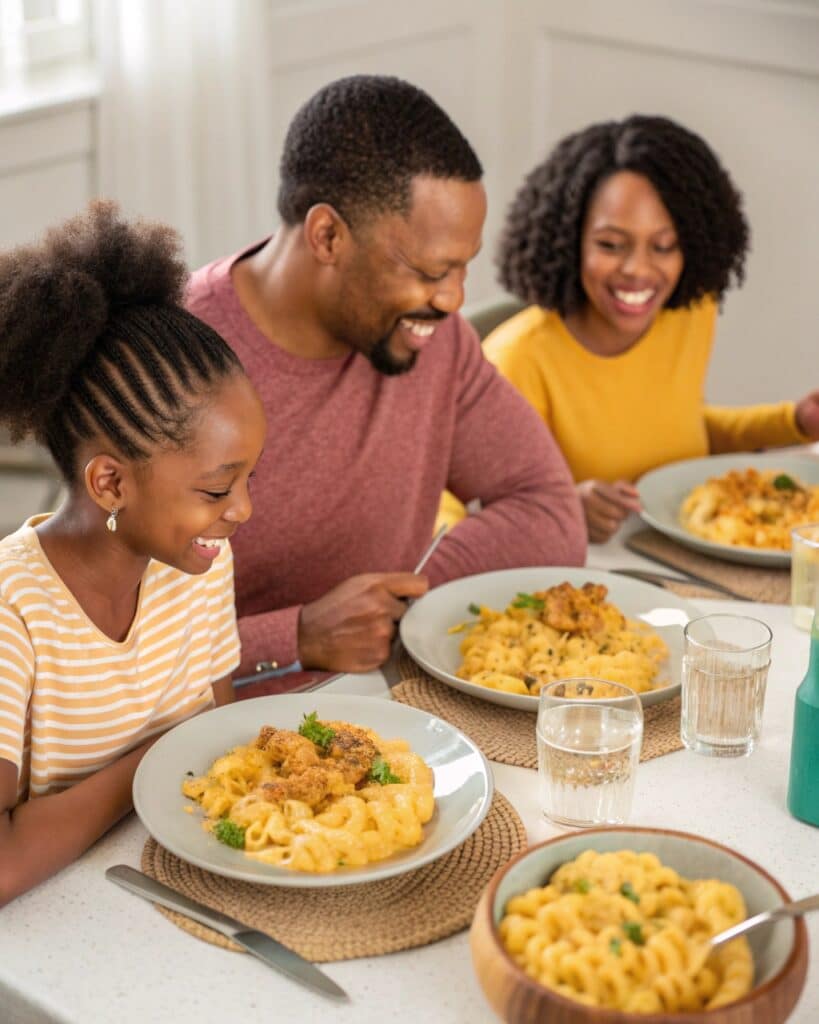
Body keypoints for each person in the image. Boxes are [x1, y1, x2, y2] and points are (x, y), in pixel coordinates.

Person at [187, 74, 585, 683]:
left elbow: (549, 511)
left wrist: (405, 600)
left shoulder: (432, 340)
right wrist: (297, 636)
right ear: (328, 236)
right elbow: (96, 656)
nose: (454, 300)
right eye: (431, 270)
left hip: (385, 706)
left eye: (463, 267)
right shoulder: (171, 362)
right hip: (207, 741)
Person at [0, 202, 267, 905]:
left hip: (167, 890)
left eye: (247, 479)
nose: (242, 511)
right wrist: (151, 764)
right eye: (216, 488)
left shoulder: (196, 561)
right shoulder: (13, 614)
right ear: (110, 482)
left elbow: (218, 758)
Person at [443, 115, 819, 543]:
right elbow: (471, 504)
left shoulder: (691, 314)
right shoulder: (520, 358)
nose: (638, 270)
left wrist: (793, 422)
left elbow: (679, 432)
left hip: (687, 552)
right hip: (589, 574)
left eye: (663, 246)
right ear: (568, 241)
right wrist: (562, 507)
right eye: (610, 245)